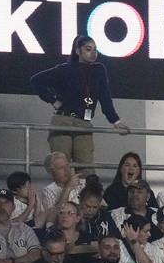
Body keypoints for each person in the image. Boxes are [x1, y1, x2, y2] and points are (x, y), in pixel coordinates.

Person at [29, 35, 129, 174]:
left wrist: (116, 121)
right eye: (88, 49)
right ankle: (64, 195)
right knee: (61, 168)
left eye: (95, 50)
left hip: (84, 122)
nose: (93, 53)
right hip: (63, 120)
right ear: (78, 51)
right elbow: (36, 80)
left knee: (86, 169)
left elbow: (105, 97)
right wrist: (52, 100)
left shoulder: (99, 70)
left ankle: (83, 195)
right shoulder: (65, 69)